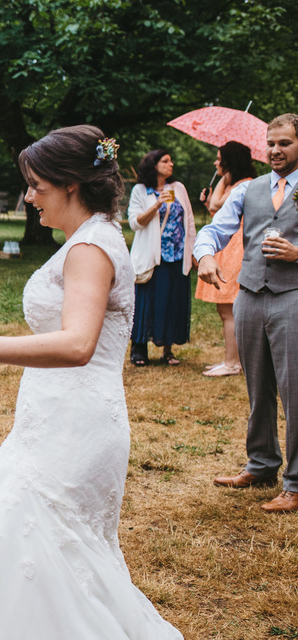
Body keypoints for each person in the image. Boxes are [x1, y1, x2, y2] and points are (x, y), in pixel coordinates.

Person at [0, 126, 181, 638]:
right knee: (46, 554)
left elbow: (78, 344)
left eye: (36, 186)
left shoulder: (90, 247)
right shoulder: (91, 237)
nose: (29, 198)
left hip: (73, 429)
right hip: (55, 419)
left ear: (71, 184)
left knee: (34, 544)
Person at [196, 113, 298, 513]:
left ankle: (295, 483)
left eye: (285, 143)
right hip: (250, 296)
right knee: (258, 389)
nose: (275, 150)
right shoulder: (249, 189)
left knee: (295, 393)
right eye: (270, 143)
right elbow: (213, 230)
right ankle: (262, 464)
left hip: (293, 295)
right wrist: (204, 255)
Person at [127, 149, 197, 366]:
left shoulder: (179, 188)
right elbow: (135, 223)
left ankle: (167, 350)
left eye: (171, 160)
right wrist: (157, 205)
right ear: (153, 165)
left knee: (172, 301)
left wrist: (193, 252)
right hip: (152, 256)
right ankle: (139, 350)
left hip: (176, 255)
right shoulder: (140, 190)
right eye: (165, 161)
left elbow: (190, 221)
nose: (171, 164)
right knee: (146, 302)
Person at [194, 141, 256, 377]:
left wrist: (222, 178)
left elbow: (218, 204)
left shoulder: (244, 185)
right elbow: (216, 210)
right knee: (226, 310)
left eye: (219, 159)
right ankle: (231, 359)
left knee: (229, 309)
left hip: (235, 250)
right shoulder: (236, 184)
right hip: (228, 246)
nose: (215, 163)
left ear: (230, 161)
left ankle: (232, 363)